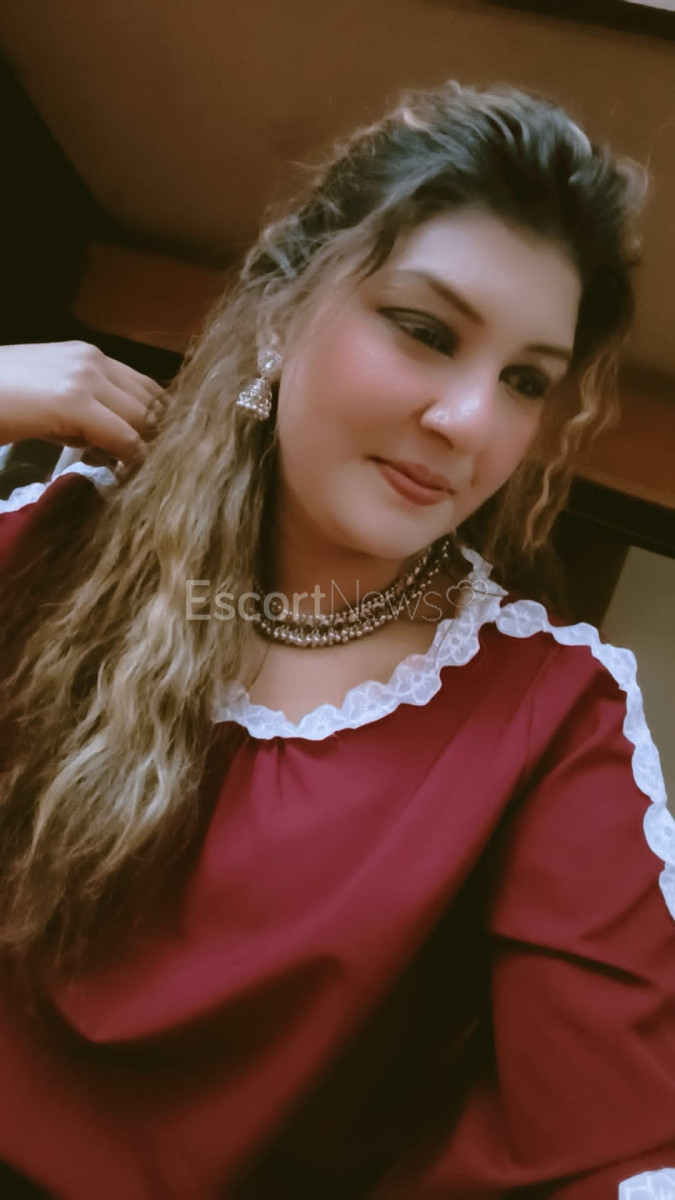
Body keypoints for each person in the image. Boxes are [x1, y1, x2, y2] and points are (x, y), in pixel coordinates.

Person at [0, 79, 672, 1199]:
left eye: (524, 381)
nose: (470, 422)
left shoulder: (552, 717)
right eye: (425, 331)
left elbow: (617, 1148)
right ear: (280, 315)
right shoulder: (54, 543)